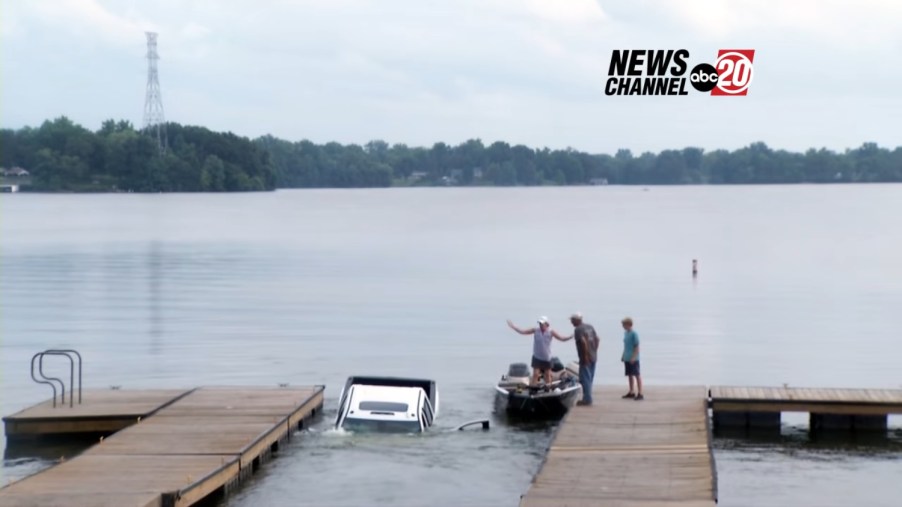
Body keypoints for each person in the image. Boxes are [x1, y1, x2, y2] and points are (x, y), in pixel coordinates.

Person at [506, 317, 570, 386]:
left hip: (547, 358)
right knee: (536, 374)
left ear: (547, 324)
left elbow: (561, 338)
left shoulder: (551, 332)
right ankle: (533, 388)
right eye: (540, 323)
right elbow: (523, 332)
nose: (540, 325)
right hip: (537, 357)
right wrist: (513, 327)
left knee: (547, 375)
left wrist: (570, 337)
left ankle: (548, 388)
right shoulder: (535, 330)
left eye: (542, 323)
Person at [569, 312, 599, 406]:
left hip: (585, 358)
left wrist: (585, 356)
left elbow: (583, 342)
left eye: (572, 320)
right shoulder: (589, 326)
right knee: (590, 378)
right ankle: (588, 397)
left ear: (577, 320)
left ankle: (587, 399)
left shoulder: (578, 329)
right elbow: (597, 339)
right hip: (593, 355)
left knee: (584, 378)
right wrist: (594, 350)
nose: (571, 322)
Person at [621, 317, 643, 400]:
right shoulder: (626, 333)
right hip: (627, 357)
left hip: (634, 358)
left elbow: (637, 347)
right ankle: (631, 391)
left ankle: (640, 393)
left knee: (637, 375)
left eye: (624, 325)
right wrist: (623, 356)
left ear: (629, 325)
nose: (623, 326)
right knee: (629, 375)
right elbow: (626, 346)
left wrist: (633, 357)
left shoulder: (634, 334)